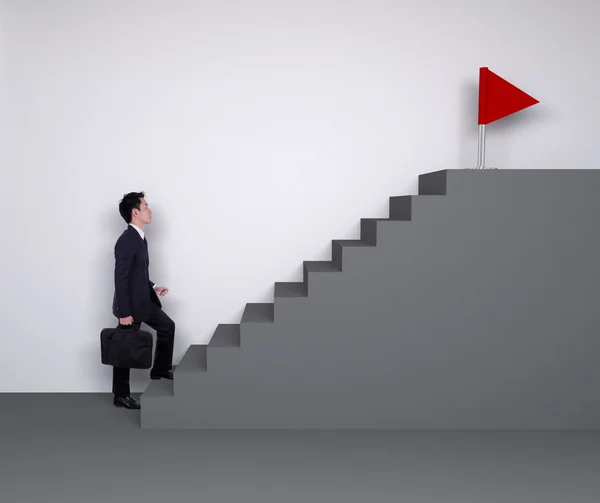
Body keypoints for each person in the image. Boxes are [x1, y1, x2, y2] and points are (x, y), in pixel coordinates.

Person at [111, 191, 175, 409]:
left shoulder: (139, 238)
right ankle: (121, 395)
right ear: (135, 212)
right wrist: (123, 313)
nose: (150, 211)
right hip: (130, 307)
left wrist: (153, 286)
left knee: (167, 327)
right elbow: (121, 278)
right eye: (146, 206)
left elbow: (138, 274)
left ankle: (159, 370)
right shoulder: (127, 240)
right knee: (124, 347)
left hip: (143, 301)